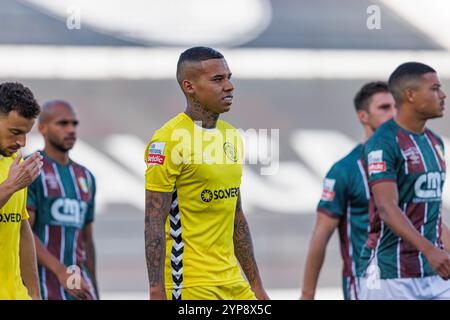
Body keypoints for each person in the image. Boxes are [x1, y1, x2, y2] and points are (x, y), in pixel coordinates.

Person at [144, 46, 269, 300]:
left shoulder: (233, 136)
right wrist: (157, 290)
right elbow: (154, 220)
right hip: (190, 284)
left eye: (229, 77)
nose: (229, 86)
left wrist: (256, 285)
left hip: (233, 281)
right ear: (189, 86)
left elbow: (237, 217)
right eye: (217, 79)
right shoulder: (168, 140)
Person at [358, 62, 450, 299]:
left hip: (433, 275)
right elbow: (387, 208)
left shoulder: (435, 142)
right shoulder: (383, 142)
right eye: (435, 88)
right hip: (392, 276)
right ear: (410, 95)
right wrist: (430, 250)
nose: (443, 95)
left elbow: (432, 213)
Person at [301, 82, 396, 300]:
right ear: (363, 116)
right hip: (366, 283)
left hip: (412, 280)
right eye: (384, 108)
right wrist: (307, 295)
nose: (393, 114)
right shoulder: (345, 170)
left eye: (395, 107)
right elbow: (320, 234)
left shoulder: (410, 161)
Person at [27, 100, 98, 300]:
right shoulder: (31, 169)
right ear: (42, 128)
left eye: (74, 124)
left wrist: (96, 290)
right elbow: (23, 232)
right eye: (62, 123)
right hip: (42, 288)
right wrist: (60, 270)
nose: (71, 129)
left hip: (79, 287)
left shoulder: (86, 177)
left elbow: (86, 240)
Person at [0, 82, 42, 300]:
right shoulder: (15, 177)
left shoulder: (15, 162)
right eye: (15, 132)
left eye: (26, 134)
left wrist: (35, 293)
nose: (21, 142)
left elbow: (22, 227)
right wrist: (10, 186)